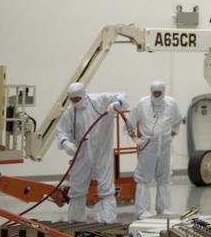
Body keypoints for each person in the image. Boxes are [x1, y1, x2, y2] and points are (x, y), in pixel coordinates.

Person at [54, 82, 126, 224]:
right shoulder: (70, 111)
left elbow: (122, 96)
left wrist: (117, 103)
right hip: (82, 153)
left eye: (77, 99)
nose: (75, 102)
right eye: (72, 99)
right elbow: (60, 131)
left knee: (106, 187)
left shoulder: (99, 100)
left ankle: (108, 219)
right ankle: (76, 221)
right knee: (77, 187)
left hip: (102, 150)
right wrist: (65, 143)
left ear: (83, 95)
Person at [130, 80, 182, 219]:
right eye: (155, 93)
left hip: (164, 145)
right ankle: (142, 211)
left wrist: (171, 135)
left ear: (163, 92)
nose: (157, 95)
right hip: (147, 145)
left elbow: (177, 122)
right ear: (151, 92)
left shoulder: (171, 104)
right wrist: (134, 137)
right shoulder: (142, 104)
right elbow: (129, 122)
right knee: (143, 178)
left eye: (159, 93)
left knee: (164, 177)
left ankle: (164, 208)